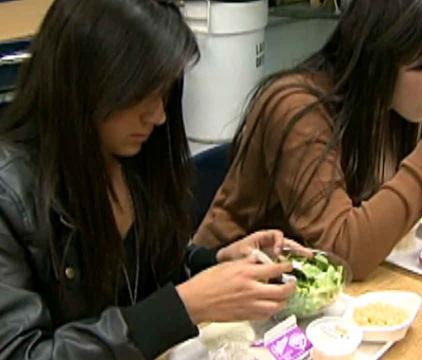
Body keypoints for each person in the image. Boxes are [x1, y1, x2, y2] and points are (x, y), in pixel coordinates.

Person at [0, 0, 308, 358]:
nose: (159, 115)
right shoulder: (11, 196)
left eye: (163, 92)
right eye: (142, 95)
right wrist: (184, 306)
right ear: (84, 83)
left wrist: (216, 264)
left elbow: (148, 276)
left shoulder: (133, 158)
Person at [193, 0, 422, 280]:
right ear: (385, 51)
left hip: (314, 296)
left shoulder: (394, 103)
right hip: (229, 305)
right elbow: (343, 255)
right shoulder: (298, 108)